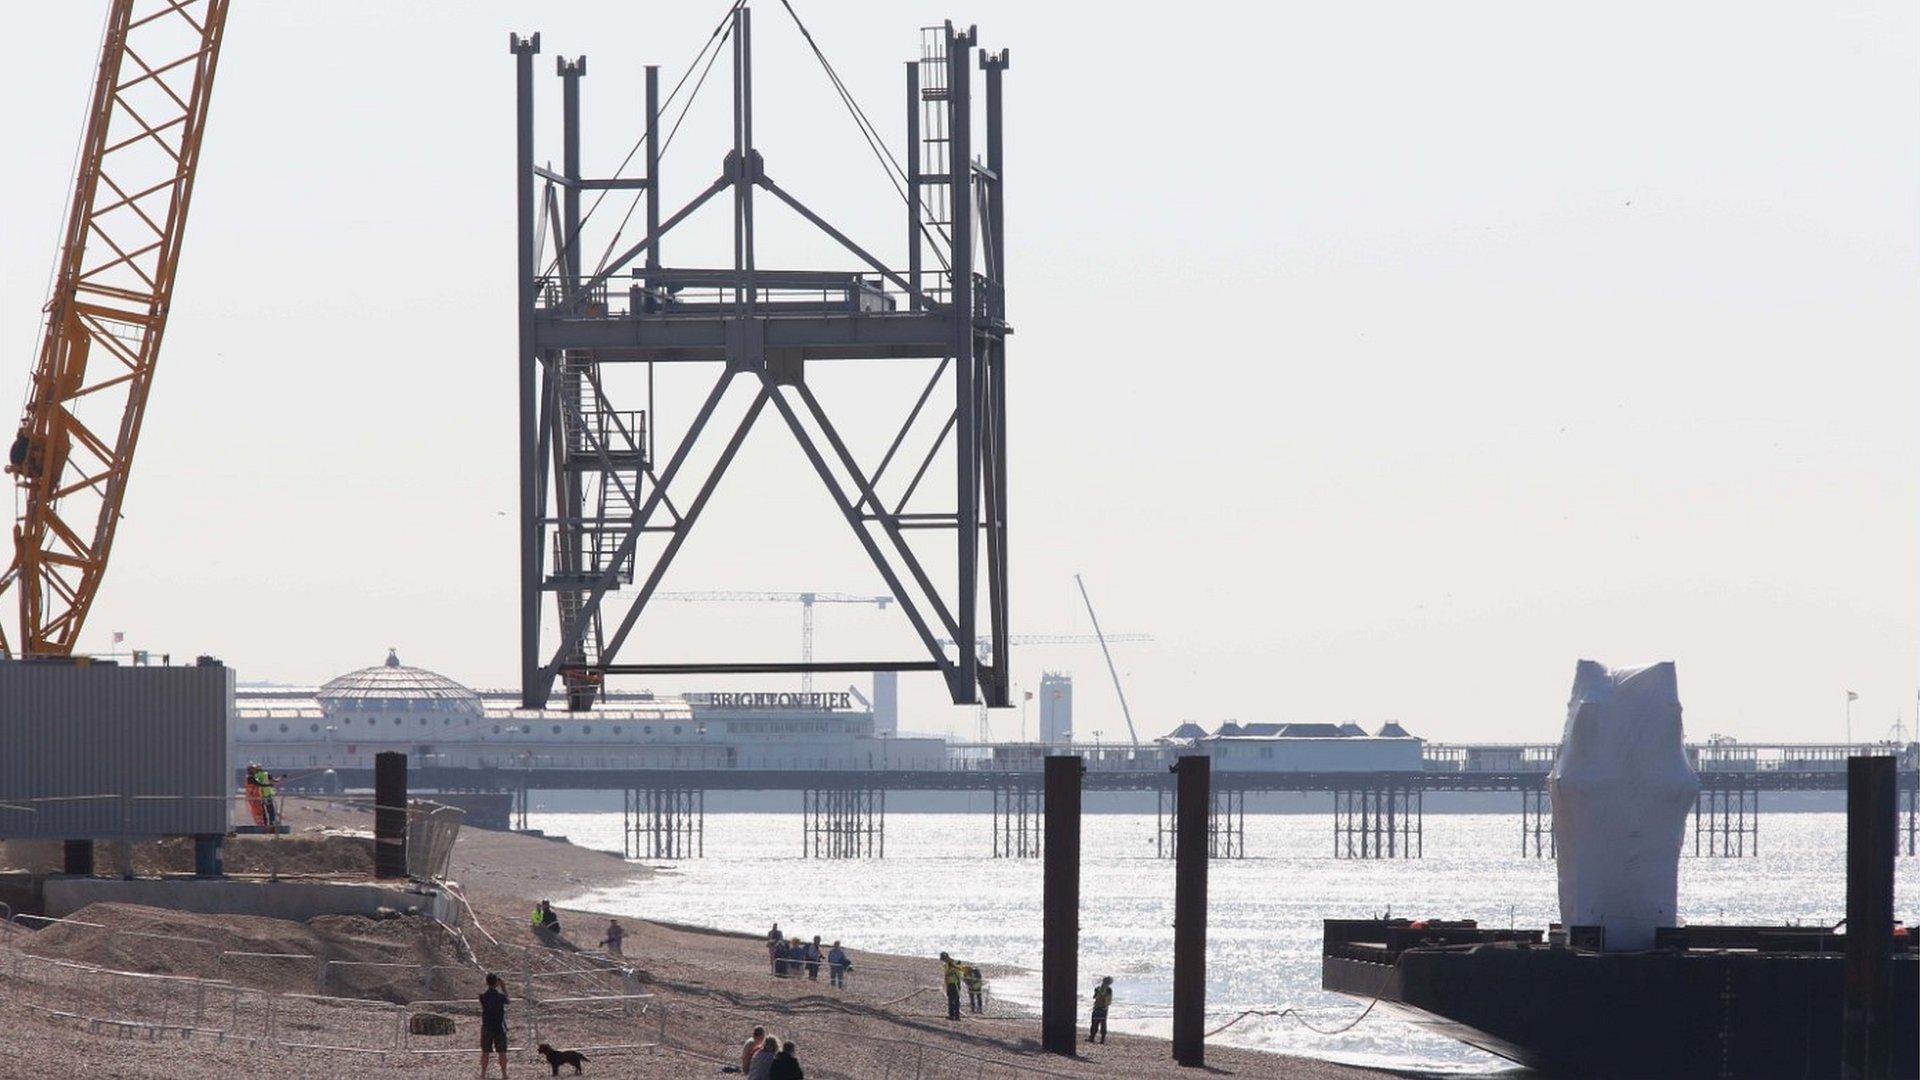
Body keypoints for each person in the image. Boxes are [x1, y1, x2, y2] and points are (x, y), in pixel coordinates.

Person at [478, 972, 510, 1078]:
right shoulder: (500, 997)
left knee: (485, 1052)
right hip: (499, 1027)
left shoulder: (482, 997)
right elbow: (508, 1000)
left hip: (487, 1026)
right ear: (496, 982)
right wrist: (503, 987)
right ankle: (504, 1074)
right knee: (502, 1052)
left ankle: (483, 1074)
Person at [1089, 975, 1113, 1044]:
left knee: (1094, 1023)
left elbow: (1094, 997)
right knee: (1103, 1023)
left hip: (1097, 1007)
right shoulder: (1109, 990)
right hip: (1104, 1009)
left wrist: (1096, 992)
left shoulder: (1098, 988)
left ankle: (1092, 1037)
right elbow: (1108, 1001)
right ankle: (1102, 1039)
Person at [940, 952, 962, 1020]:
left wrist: (958, 984)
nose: (943, 961)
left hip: (954, 983)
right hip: (950, 984)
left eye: (944, 959)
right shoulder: (947, 964)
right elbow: (946, 976)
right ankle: (952, 1015)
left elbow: (958, 974)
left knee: (955, 1000)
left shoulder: (953, 964)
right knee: (951, 1000)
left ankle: (956, 1016)